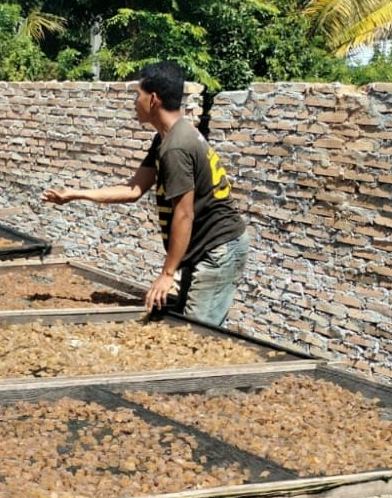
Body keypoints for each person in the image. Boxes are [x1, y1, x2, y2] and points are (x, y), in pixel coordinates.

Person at [41, 61, 250, 327]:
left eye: (137, 95)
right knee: (188, 325)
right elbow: (133, 189)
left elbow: (184, 214)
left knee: (197, 334)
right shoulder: (165, 138)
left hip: (218, 248)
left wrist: (167, 274)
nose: (134, 102)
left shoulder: (176, 147)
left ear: (153, 99)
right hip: (207, 248)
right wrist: (75, 194)